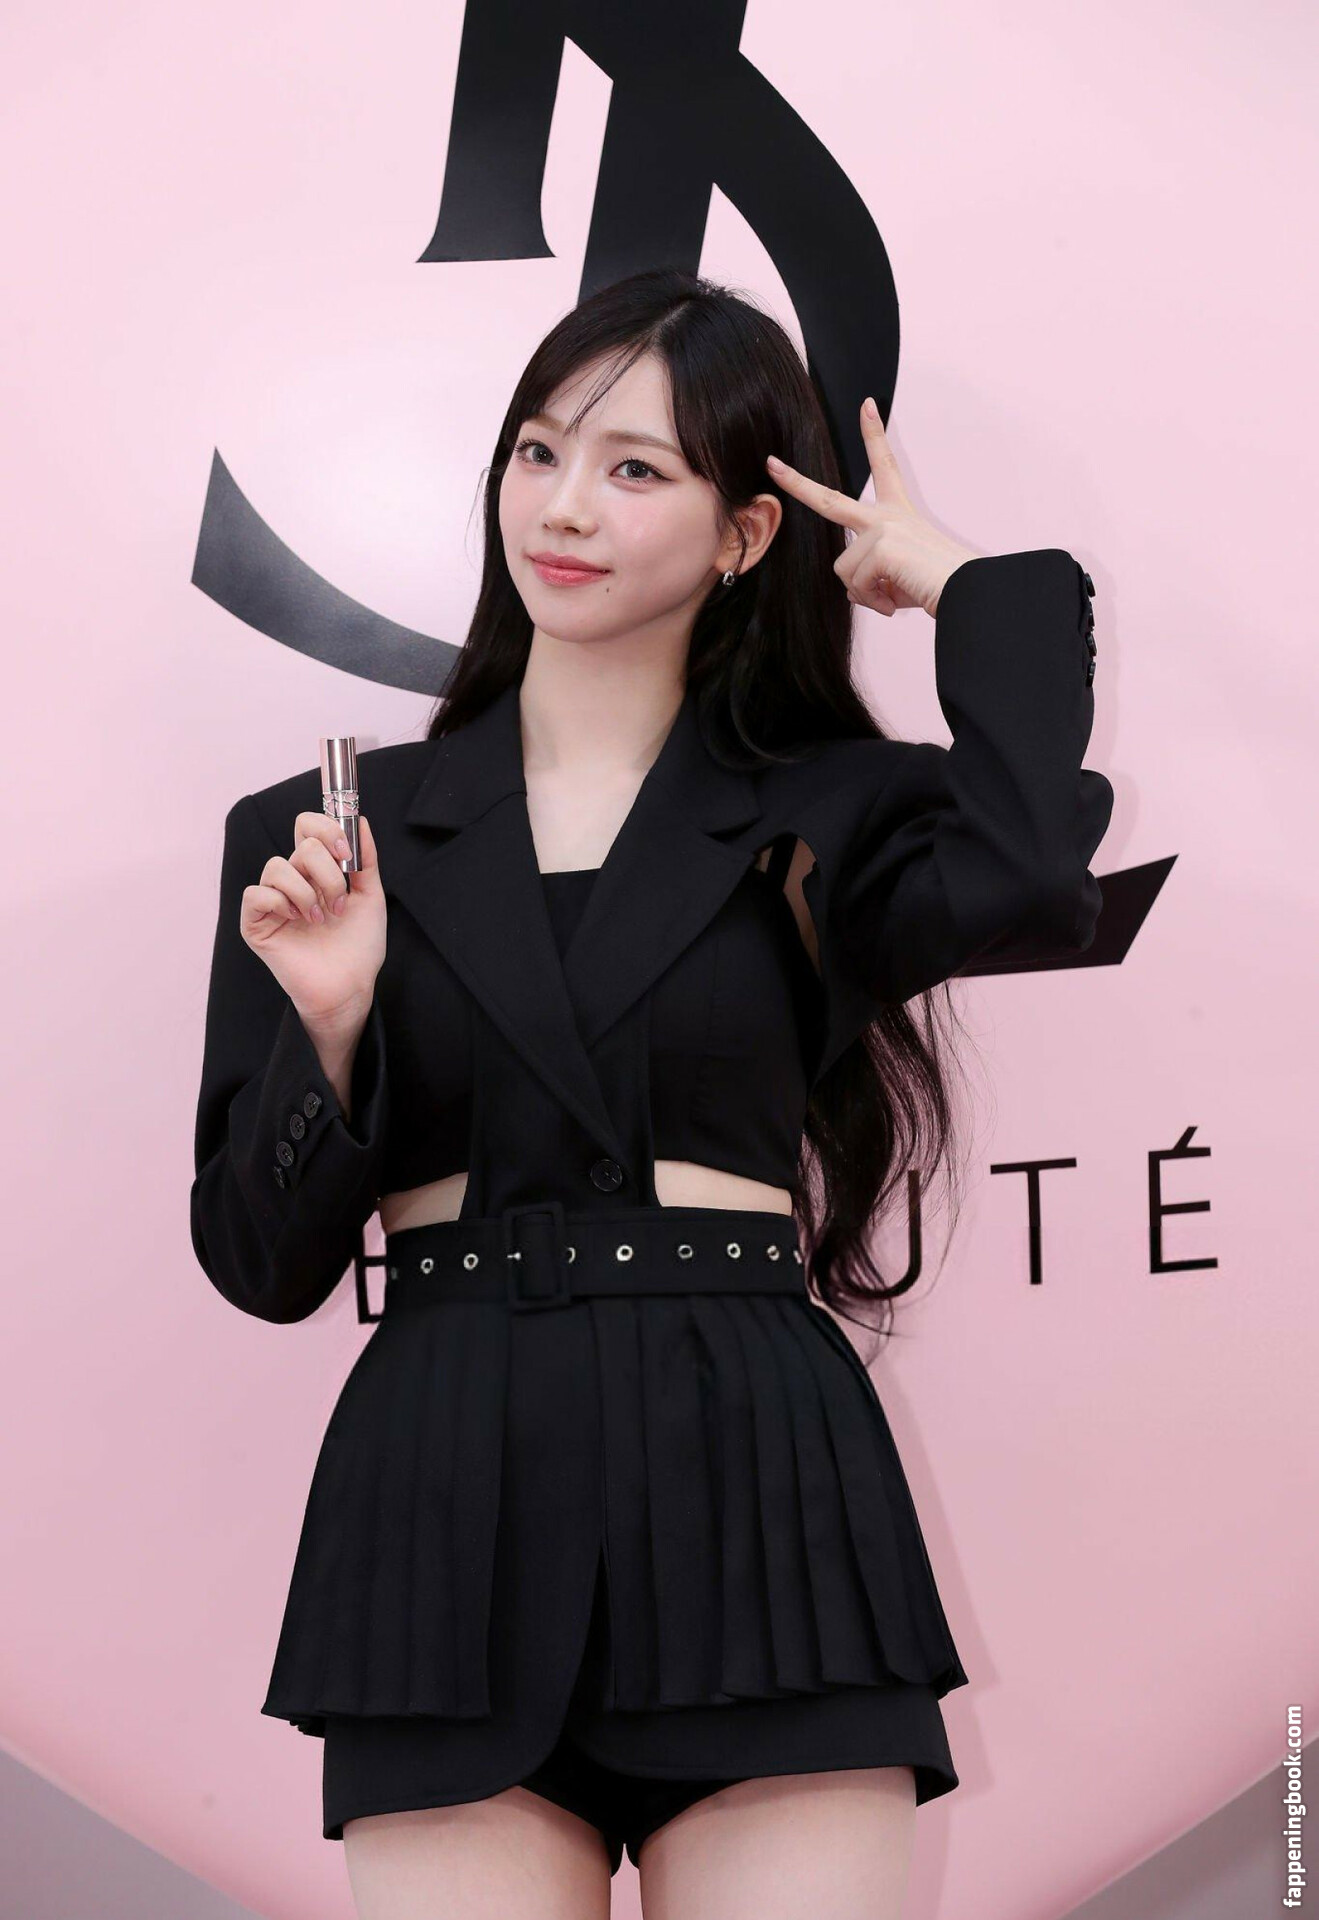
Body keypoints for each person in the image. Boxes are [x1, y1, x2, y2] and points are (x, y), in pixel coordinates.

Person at [190, 267, 1112, 1920]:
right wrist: (330, 1028)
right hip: (445, 1491)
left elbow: (1036, 868)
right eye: (539, 451)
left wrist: (962, 584)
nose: (563, 507)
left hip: (756, 1480)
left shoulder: (828, 808)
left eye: (635, 469)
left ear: (747, 533)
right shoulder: (328, 831)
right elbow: (260, 1265)